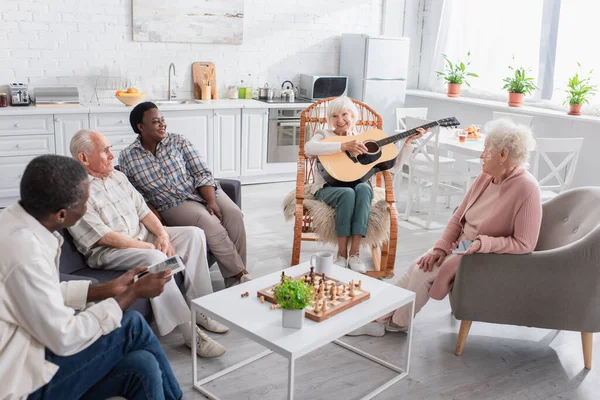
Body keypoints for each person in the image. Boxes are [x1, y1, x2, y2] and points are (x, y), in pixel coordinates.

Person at [0, 154, 182, 400]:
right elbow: (64, 337)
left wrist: (106, 289)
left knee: (143, 365)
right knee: (133, 325)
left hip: (32, 347)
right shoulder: (25, 253)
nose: (87, 208)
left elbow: (40, 291)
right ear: (62, 215)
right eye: (85, 203)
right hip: (20, 379)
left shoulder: (13, 219)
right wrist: (133, 293)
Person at [349, 118, 542, 337]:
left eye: (486, 149)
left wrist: (482, 243)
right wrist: (441, 248)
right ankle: (377, 317)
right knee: (416, 265)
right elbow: (458, 216)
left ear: (503, 155)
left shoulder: (526, 188)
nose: (481, 155)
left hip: (481, 255)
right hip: (461, 246)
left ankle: (396, 323)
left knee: (422, 273)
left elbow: (525, 243)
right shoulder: (486, 178)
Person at [68, 129, 227, 358]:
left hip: (142, 236)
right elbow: (105, 237)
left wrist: (162, 235)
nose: (113, 155)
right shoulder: (76, 191)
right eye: (105, 151)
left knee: (194, 235)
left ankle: (201, 307)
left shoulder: (118, 177)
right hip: (110, 251)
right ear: (83, 158)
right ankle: (190, 333)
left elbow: (144, 212)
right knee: (156, 259)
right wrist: (151, 247)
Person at [119, 102, 252, 288]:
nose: (162, 124)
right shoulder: (128, 157)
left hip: (200, 188)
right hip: (171, 203)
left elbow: (201, 172)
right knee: (209, 221)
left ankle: (233, 281)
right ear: (141, 127)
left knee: (234, 214)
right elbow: (138, 195)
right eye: (156, 122)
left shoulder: (178, 141)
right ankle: (240, 275)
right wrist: (156, 223)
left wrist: (210, 199)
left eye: (163, 120)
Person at [304, 96, 425, 272]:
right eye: (335, 116)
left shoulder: (363, 139)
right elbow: (309, 149)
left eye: (344, 114)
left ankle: (354, 254)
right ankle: (341, 255)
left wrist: (407, 144)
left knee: (362, 188)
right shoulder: (324, 135)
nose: (340, 120)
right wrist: (343, 146)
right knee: (347, 193)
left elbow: (394, 169)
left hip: (358, 186)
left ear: (353, 116)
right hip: (328, 188)